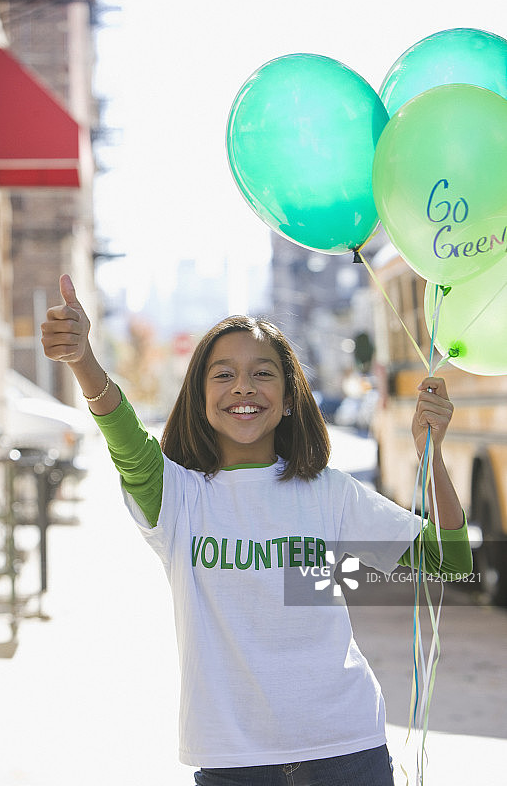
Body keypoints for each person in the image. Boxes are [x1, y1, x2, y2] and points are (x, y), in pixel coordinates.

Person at [41, 274, 472, 786]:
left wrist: (432, 456)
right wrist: (83, 362)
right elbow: (127, 440)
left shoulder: (329, 492)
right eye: (223, 375)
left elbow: (450, 562)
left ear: (289, 399)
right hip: (232, 763)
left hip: (348, 751)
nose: (242, 387)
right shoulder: (178, 497)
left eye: (262, 373)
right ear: (201, 398)